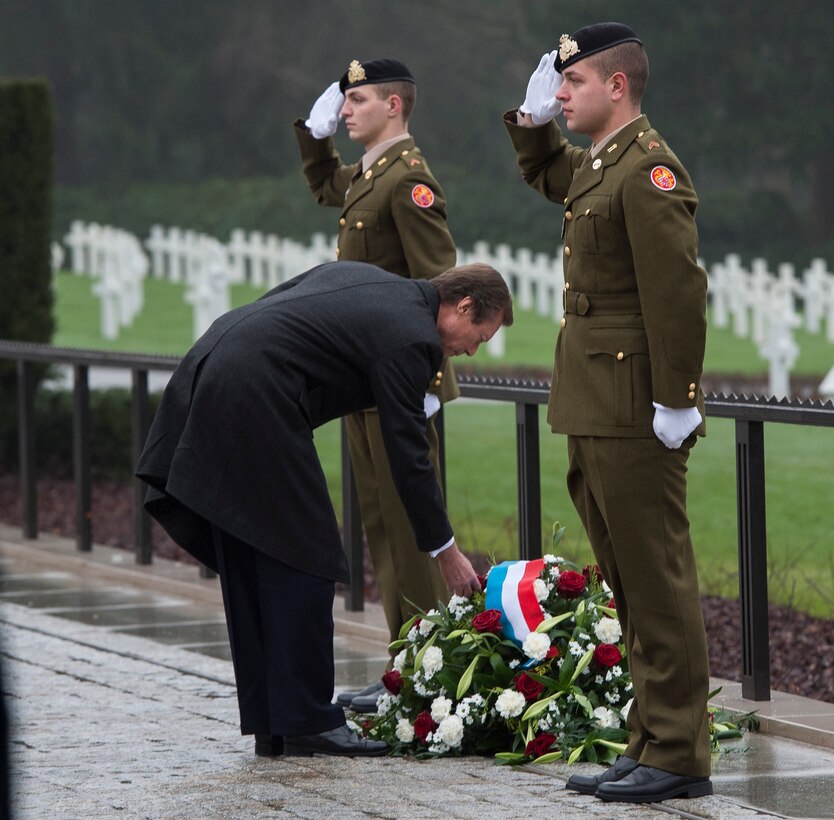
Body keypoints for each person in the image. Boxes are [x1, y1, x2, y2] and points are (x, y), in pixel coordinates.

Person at [136, 262, 512, 758]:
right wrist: (446, 551)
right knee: (307, 556)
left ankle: (276, 721)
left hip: (214, 363)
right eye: (478, 336)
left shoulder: (377, 284)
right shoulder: (413, 337)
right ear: (463, 307)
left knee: (256, 555)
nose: (470, 350)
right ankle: (308, 720)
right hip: (257, 393)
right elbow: (408, 455)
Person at [504, 22, 713, 803]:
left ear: (616, 86)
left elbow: (678, 293)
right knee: (626, 581)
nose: (559, 95)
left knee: (656, 579)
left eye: (573, 83)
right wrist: (530, 129)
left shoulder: (648, 168)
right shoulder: (604, 163)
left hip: (634, 404)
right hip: (595, 398)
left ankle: (681, 755)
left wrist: (675, 399)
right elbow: (559, 179)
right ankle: (650, 740)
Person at [295, 58, 459, 712]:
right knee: (385, 531)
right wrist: (314, 138)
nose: (346, 111)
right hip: (364, 385)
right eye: (343, 102)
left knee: (412, 532)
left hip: (399, 388)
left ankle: (427, 674)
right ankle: (407, 664)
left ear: (395, 105)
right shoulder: (369, 175)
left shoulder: (408, 179)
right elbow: (324, 185)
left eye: (357, 100)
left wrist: (428, 378)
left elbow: (443, 284)